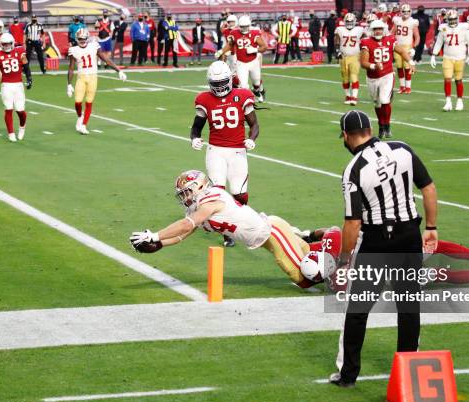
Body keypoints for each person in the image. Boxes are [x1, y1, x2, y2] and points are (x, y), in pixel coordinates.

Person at [328, 109, 438, 388]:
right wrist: (432, 227)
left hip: (377, 240)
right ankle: (410, 371)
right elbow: (428, 188)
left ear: (345, 135)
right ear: (370, 129)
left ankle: (348, 374)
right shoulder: (402, 148)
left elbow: (352, 223)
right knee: (409, 307)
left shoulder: (354, 168)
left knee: (357, 308)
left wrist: (344, 261)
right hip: (410, 235)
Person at [129, 170, 342, 288]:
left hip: (271, 233)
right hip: (266, 235)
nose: (185, 197)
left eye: (187, 192)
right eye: (182, 194)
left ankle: (334, 238)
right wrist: (159, 244)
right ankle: (333, 247)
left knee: (303, 279)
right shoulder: (198, 208)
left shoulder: (211, 199)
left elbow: (186, 225)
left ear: (201, 186)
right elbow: (183, 235)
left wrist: (155, 234)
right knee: (309, 258)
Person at [189, 61, 259, 246]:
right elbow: (196, 127)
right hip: (216, 151)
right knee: (218, 193)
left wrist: (252, 139)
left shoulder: (243, 95)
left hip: (237, 151)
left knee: (239, 193)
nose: (219, 87)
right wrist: (194, 138)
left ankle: (246, 224)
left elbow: (254, 124)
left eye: (222, 82)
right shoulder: (204, 99)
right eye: (216, 83)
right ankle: (227, 233)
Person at [360, 20, 415, 138]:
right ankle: (381, 124)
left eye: (380, 28)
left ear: (383, 29)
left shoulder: (390, 39)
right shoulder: (366, 42)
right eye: (375, 29)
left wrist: (410, 62)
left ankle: (387, 125)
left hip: (387, 74)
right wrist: (374, 65)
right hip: (372, 77)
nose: (378, 31)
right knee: (377, 103)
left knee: (385, 100)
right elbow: (363, 62)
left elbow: (401, 51)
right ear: (372, 30)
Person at [67, 28, 127, 134]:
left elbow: (106, 59)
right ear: (77, 39)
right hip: (81, 77)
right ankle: (80, 116)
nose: (82, 40)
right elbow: (71, 68)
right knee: (77, 102)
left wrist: (118, 70)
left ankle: (84, 125)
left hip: (93, 77)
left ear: (87, 38)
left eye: (84, 38)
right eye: (80, 38)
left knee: (89, 102)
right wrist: (69, 84)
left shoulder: (93, 46)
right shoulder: (73, 50)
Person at [0, 33, 32, 142]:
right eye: (4, 44)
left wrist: (29, 78)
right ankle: (11, 132)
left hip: (18, 85)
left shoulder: (19, 51)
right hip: (6, 85)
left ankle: (22, 126)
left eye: (8, 43)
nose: (6, 46)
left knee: (20, 110)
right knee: (8, 108)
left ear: (12, 43)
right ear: (1, 44)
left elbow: (26, 65)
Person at [431, 10, 469, 112]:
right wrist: (433, 55)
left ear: (458, 19)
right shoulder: (443, 28)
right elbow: (439, 43)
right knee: (447, 78)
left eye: (454, 19)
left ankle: (459, 101)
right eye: (450, 20)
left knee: (458, 79)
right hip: (447, 57)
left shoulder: (464, 27)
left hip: (460, 57)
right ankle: (448, 101)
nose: (453, 21)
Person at [216, 16, 268, 101]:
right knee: (243, 86)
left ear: (249, 25)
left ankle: (257, 91)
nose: (244, 28)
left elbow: (264, 47)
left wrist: (255, 49)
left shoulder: (255, 33)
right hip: (241, 63)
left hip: (253, 62)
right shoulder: (234, 33)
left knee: (257, 83)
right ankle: (248, 101)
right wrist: (221, 51)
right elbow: (230, 44)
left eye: (246, 26)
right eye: (242, 26)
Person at [334, 13, 364, 105]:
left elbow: (366, 39)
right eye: (347, 21)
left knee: (354, 75)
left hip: (355, 56)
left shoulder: (359, 29)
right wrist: (337, 50)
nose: (349, 23)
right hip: (343, 56)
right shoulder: (340, 29)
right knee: (345, 77)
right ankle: (348, 96)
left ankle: (354, 97)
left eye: (351, 21)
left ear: (355, 21)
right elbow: (336, 39)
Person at [391, 4, 419, 94]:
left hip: (407, 46)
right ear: (401, 12)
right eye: (404, 11)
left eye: (407, 11)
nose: (406, 13)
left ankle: (408, 87)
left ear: (410, 12)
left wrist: (414, 47)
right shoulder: (397, 20)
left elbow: (417, 37)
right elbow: (392, 32)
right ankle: (402, 87)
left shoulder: (413, 22)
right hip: (398, 46)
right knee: (399, 67)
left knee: (407, 67)